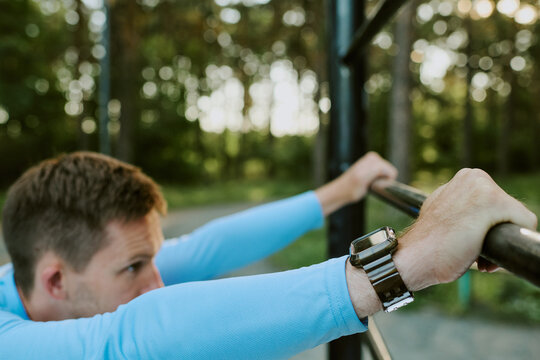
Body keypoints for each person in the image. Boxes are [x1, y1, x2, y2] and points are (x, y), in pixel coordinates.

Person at [0, 151, 536, 359]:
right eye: (134, 268)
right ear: (54, 281)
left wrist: (342, 191)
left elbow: (210, 247)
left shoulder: (71, 282)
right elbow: (126, 341)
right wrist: (405, 263)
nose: (158, 281)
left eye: (151, 260)